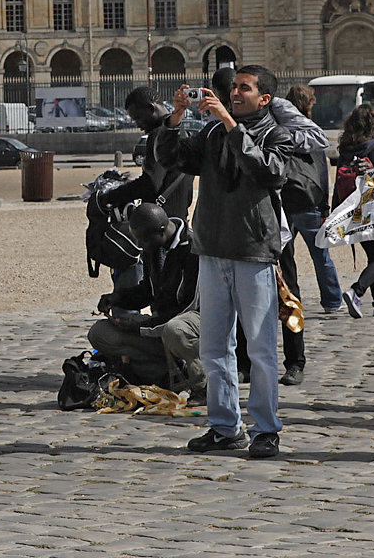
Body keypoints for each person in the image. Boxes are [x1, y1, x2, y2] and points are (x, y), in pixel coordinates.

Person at [156, 65, 293, 459]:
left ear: (264, 98)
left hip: (252, 251)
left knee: (262, 349)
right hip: (212, 250)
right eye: (233, 88)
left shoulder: (276, 135)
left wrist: (231, 124)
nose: (234, 93)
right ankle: (224, 426)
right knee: (215, 346)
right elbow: (174, 159)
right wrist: (177, 118)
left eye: (244, 89)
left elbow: (266, 171)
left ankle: (266, 429)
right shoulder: (214, 132)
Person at [88, 202, 202, 395]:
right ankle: (164, 373)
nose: (141, 246)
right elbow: (148, 292)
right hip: (159, 326)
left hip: (192, 324)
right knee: (99, 333)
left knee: (174, 330)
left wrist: (141, 327)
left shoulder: (192, 250)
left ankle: (201, 384)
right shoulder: (154, 247)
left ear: (162, 231)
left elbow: (189, 307)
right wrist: (117, 299)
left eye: (144, 240)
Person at [273, 85, 333, 385]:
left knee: (289, 288)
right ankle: (247, 361)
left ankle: (295, 360)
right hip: (265, 216)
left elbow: (320, 163)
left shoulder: (286, 128)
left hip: (291, 209)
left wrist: (323, 205)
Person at [278, 84, 342, 320]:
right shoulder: (311, 132)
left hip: (284, 200)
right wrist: (325, 206)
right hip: (308, 202)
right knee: (321, 255)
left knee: (283, 256)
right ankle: (332, 300)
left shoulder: (278, 129)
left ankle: (289, 298)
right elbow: (322, 174)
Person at [102, 86, 193, 222]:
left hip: (159, 221)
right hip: (178, 220)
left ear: (151, 109)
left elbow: (150, 184)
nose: (138, 125)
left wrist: (111, 196)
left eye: (138, 118)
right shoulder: (183, 132)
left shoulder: (159, 135)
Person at [335, 104, 374, 317]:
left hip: (354, 211)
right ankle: (356, 291)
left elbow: (337, 184)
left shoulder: (346, 149)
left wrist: (334, 212)